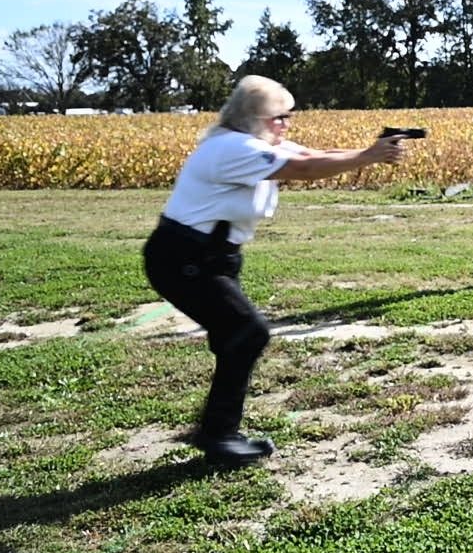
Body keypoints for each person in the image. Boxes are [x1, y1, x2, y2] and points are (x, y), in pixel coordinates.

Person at [142, 75, 406, 466]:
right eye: (279, 118)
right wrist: (367, 157)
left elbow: (315, 153)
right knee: (247, 333)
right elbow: (304, 169)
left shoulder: (255, 142)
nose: (286, 125)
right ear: (255, 118)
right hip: (185, 256)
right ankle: (218, 436)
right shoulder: (233, 147)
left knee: (237, 337)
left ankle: (219, 429)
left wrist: (369, 151)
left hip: (210, 256)